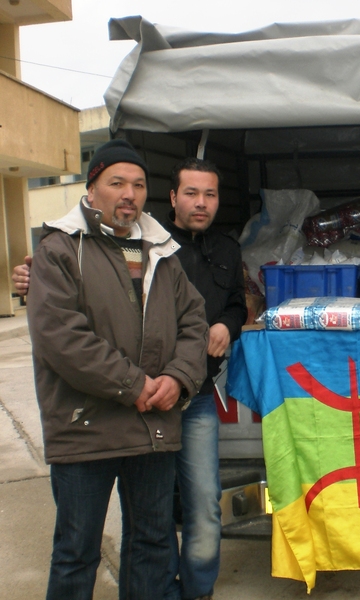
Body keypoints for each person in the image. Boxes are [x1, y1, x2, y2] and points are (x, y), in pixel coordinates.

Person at [15, 156, 247, 600]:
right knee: (76, 552)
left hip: (153, 424)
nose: (129, 194)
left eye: (138, 185)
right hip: (87, 426)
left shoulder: (158, 250)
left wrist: (177, 379)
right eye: (117, 183)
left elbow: (193, 320)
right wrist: (136, 385)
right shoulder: (62, 249)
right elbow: (62, 338)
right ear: (91, 188)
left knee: (152, 543)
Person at [163, 157, 247, 600]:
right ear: (173, 197)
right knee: (152, 510)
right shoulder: (148, 245)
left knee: (204, 504)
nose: (201, 202)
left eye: (209, 194)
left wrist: (227, 326)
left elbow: (237, 303)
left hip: (197, 399)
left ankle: (198, 591)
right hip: (150, 399)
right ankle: (158, 588)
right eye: (191, 193)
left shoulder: (228, 250)